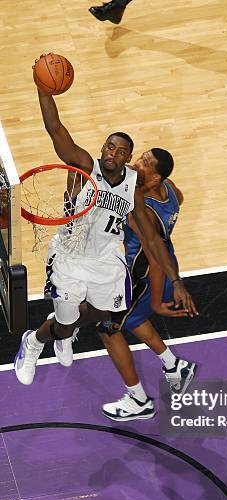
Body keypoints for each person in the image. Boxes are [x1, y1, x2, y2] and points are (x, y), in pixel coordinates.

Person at [14, 69, 197, 386]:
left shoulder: (133, 191)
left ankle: (62, 329)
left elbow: (153, 243)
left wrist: (176, 280)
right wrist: (43, 89)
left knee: (101, 315)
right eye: (109, 146)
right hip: (70, 256)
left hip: (106, 260)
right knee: (67, 323)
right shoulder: (84, 165)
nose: (113, 152)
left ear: (127, 158)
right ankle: (34, 341)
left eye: (121, 150)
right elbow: (55, 129)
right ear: (102, 149)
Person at [97, 149, 197, 421]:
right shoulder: (171, 190)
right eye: (141, 158)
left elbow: (153, 259)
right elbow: (179, 202)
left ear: (155, 178)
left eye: (145, 164)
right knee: (133, 319)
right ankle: (174, 366)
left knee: (108, 328)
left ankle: (138, 400)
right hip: (167, 265)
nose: (137, 164)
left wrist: (155, 299)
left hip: (147, 276)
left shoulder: (142, 210)